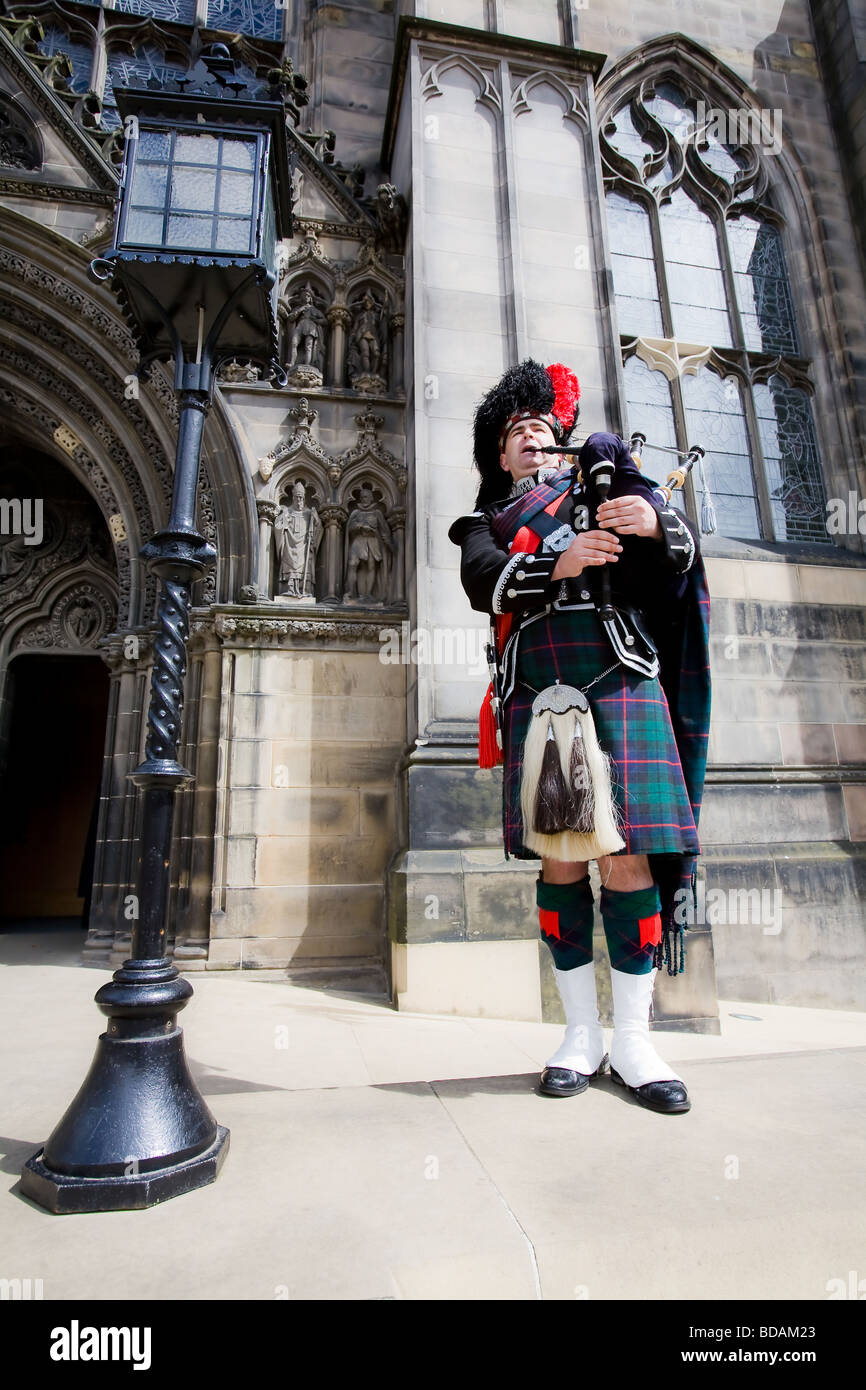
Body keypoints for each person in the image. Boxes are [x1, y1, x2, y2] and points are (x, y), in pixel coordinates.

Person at [447, 360, 711, 1114]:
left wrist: (657, 522)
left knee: (627, 860)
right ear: (499, 458)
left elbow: (676, 565)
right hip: (544, 695)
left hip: (622, 682)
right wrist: (557, 561)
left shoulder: (604, 490)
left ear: (558, 438)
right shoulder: (485, 523)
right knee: (564, 862)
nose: (528, 435)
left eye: (537, 424)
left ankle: (635, 1041)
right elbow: (483, 582)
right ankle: (579, 1034)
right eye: (512, 432)